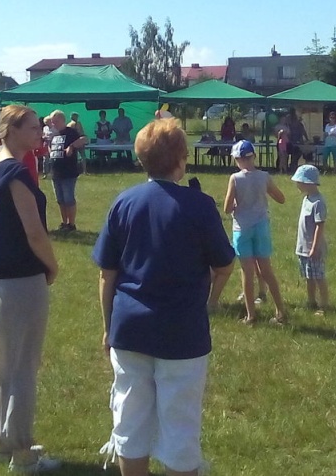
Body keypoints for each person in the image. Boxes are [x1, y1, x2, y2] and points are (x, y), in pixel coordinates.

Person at [93, 118, 234, 476]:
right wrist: (211, 301)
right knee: (180, 424)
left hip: (129, 327)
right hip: (182, 330)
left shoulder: (123, 202)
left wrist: (108, 326)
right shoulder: (199, 205)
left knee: (129, 420)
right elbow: (224, 265)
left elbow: (106, 274)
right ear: (180, 160)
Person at [0, 104, 61, 474]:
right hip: (22, 281)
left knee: (4, 364)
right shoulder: (13, 170)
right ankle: (23, 452)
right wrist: (52, 265)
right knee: (24, 366)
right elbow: (34, 231)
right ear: (11, 129)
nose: (39, 132)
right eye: (32, 127)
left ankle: (3, 439)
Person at [221, 140, 288, 324]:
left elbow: (227, 208)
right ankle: (280, 311)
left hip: (242, 228)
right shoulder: (264, 176)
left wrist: (236, 205)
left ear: (236, 159)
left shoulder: (235, 178)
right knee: (266, 270)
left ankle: (251, 315)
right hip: (261, 226)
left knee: (247, 272)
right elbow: (281, 198)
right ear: (254, 156)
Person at [291, 164, 329, 315]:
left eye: (299, 182)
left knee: (318, 277)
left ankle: (324, 305)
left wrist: (314, 247)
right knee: (308, 276)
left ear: (308, 183)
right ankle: (311, 300)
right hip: (303, 247)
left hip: (314, 248)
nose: (297, 184)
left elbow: (320, 226)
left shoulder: (318, 202)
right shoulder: (307, 199)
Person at [48, 110, 87, 232]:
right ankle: (64, 222)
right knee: (60, 199)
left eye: (55, 121)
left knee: (68, 199)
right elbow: (51, 146)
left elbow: (85, 139)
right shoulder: (54, 134)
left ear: (61, 120)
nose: (53, 124)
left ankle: (72, 224)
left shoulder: (71, 132)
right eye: (52, 122)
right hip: (55, 171)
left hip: (68, 171)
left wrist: (72, 146)